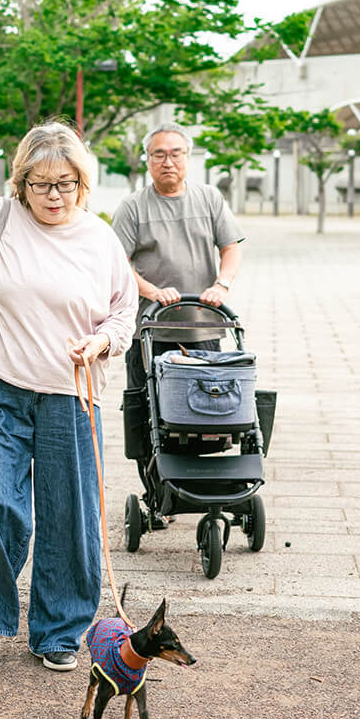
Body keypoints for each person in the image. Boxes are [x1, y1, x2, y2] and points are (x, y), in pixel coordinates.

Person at [0, 122, 136, 674]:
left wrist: (103, 341)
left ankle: (59, 630)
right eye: (41, 184)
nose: (53, 196)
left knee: (69, 516)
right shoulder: (0, 220)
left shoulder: (99, 238)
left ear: (82, 184)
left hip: (72, 396)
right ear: (21, 182)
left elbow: (125, 310)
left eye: (66, 184)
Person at [110, 123, 244, 506]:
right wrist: (152, 291)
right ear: (148, 160)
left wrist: (222, 285)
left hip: (202, 328)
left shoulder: (209, 199)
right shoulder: (133, 207)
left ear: (188, 157)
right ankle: (158, 495)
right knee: (147, 415)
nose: (167, 161)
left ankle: (198, 487)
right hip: (149, 329)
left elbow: (231, 248)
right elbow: (116, 263)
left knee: (205, 412)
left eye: (175, 153)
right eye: (158, 154)